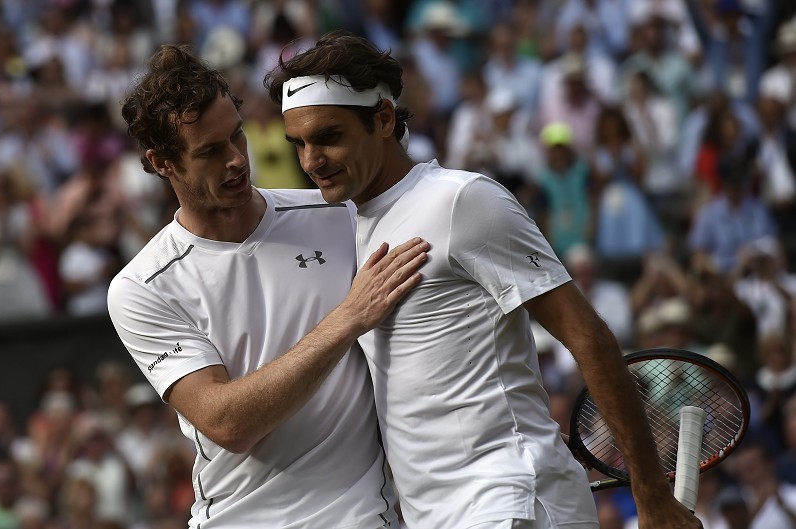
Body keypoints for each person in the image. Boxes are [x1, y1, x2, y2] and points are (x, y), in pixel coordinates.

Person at [266, 30, 703, 529]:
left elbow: (587, 335)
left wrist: (649, 494)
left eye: (328, 136)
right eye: (297, 143)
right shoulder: (356, 226)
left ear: (383, 119)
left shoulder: (462, 199)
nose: (310, 160)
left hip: (507, 500)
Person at [107, 44, 429, 528]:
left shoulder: (338, 214)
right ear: (161, 163)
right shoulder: (141, 287)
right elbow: (227, 423)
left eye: (237, 137)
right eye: (210, 152)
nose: (236, 160)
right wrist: (347, 318)